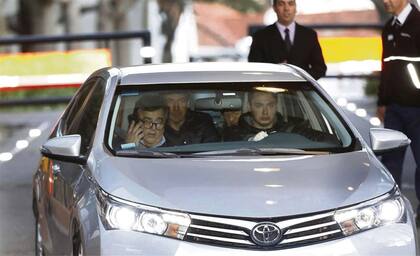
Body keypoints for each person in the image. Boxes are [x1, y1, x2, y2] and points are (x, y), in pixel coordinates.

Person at [376, 0, 420, 222]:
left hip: (417, 109)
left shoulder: (418, 23)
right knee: (391, 162)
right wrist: (382, 102)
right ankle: (392, 212)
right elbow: (386, 68)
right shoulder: (389, 28)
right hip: (394, 109)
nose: (385, 1)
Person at [248, 0, 327, 80]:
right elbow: (254, 68)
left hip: (302, 90)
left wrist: (300, 79)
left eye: (290, 4)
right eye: (281, 4)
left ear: (295, 8)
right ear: (274, 8)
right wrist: (275, 72)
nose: (286, 8)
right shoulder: (260, 36)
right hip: (270, 89)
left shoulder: (309, 35)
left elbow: (320, 68)